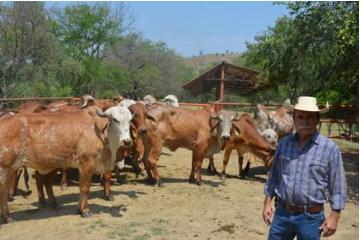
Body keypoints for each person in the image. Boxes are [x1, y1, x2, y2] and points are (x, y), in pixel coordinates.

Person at [262, 96, 347, 240]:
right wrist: (267, 202)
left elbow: (337, 185)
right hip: (282, 213)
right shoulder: (284, 144)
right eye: (300, 117)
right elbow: (274, 176)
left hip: (311, 219)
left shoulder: (329, 149)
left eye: (309, 117)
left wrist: (335, 216)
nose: (305, 121)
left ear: (317, 120)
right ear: (294, 119)